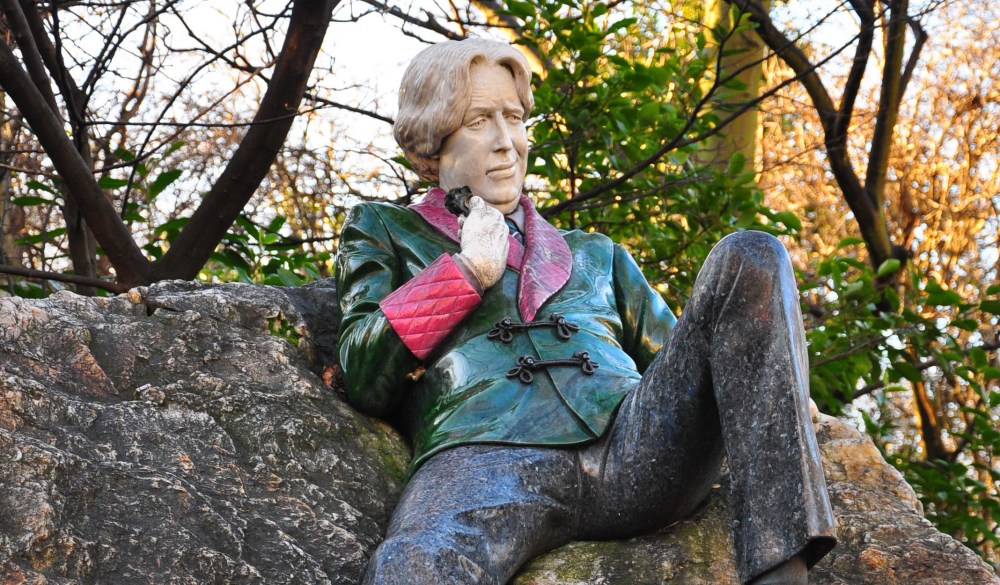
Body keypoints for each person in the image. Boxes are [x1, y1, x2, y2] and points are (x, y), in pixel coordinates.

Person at [335, 38, 836, 585]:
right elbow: (364, 373)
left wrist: (774, 382)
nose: (507, 143)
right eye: (480, 121)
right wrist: (464, 274)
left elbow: (694, 361)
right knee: (415, 565)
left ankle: (782, 575)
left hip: (635, 444)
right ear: (433, 140)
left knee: (752, 253)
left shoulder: (597, 251)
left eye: (515, 118)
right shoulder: (382, 228)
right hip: (484, 461)